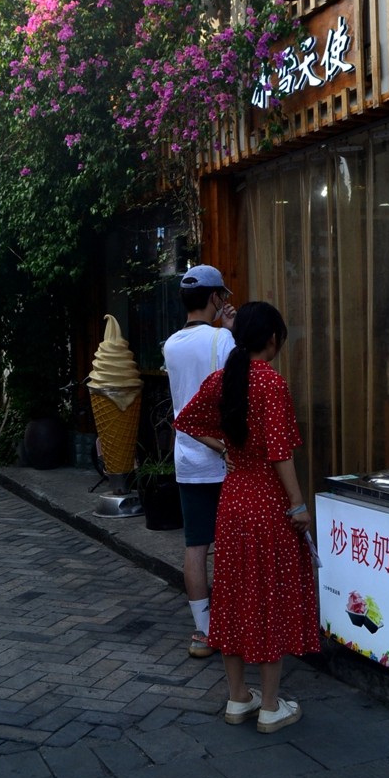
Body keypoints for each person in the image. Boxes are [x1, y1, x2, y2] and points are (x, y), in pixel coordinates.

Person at [174, 301, 320, 733]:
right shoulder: (271, 383)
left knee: (234, 596)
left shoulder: (222, 379)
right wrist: (298, 503)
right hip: (267, 503)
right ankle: (271, 706)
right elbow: (280, 453)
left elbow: (185, 420)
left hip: (233, 500)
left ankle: (238, 698)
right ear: (272, 340)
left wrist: (225, 449)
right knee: (269, 597)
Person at [163, 264, 236, 658]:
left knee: (196, 544)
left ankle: (203, 631)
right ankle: (228, 623)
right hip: (223, 456)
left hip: (187, 457)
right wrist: (230, 331)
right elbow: (237, 387)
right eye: (221, 296)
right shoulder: (223, 340)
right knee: (226, 545)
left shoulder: (171, 344)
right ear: (214, 297)